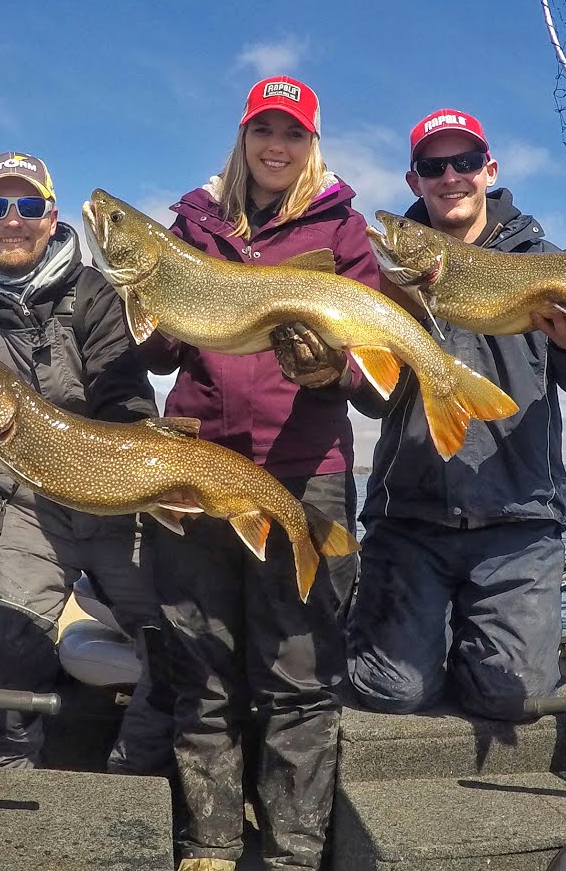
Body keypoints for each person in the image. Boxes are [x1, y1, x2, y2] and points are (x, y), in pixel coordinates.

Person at [140, 76, 378, 871]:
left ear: (313, 144)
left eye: (294, 133)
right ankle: (209, 841)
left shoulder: (344, 233)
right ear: (241, 138)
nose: (276, 146)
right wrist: (144, 305)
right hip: (197, 463)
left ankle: (291, 853)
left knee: (297, 671)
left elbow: (369, 366)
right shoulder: (190, 228)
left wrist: (329, 373)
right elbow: (160, 352)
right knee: (200, 661)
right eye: (263, 130)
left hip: (304, 469)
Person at [347, 108, 566, 720]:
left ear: (489, 169)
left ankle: (476, 641)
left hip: (517, 523)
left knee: (514, 697)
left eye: (466, 162)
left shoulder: (545, 260)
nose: (451, 176)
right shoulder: (387, 272)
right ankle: (417, 640)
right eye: (433, 165)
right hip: (409, 519)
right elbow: (369, 398)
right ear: (413, 179)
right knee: (390, 694)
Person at [0, 151, 171, 774]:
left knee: (184, 641)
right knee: (1, 656)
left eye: (28, 206)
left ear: (51, 215)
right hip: (21, 507)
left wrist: (103, 471)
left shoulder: (96, 296)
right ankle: (10, 805)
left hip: (122, 501)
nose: (13, 221)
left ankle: (133, 776)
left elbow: (128, 405)